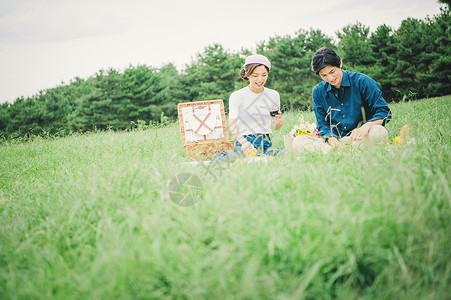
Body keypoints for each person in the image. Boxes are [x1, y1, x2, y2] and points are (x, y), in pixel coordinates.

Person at [311, 47, 392, 148]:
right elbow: (322, 125)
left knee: (379, 132)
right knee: (300, 141)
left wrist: (365, 127)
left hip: (363, 136)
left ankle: (359, 148)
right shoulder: (318, 92)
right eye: (324, 75)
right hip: (337, 139)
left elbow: (384, 111)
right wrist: (336, 144)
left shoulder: (363, 82)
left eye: (332, 72)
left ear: (340, 63)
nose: (330, 78)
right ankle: (347, 150)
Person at [211, 54, 283, 163]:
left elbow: (276, 127)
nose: (260, 79)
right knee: (223, 161)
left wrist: (278, 123)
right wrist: (244, 143)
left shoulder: (273, 95)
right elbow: (232, 126)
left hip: (266, 144)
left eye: (264, 75)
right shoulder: (237, 96)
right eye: (255, 75)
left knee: (285, 156)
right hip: (243, 143)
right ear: (247, 75)